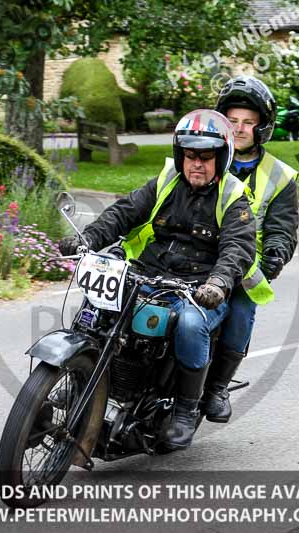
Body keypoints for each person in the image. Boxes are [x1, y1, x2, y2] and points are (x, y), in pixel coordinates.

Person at [59, 109, 256, 449]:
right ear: (181, 155)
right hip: (149, 272)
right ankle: (80, 374)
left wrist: (218, 284)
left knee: (190, 325)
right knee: (98, 299)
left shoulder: (233, 198)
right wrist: (88, 239)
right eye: (190, 155)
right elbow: (124, 212)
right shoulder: (166, 182)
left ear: (221, 158)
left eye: (206, 157)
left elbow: (237, 248)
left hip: (198, 287)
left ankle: (184, 408)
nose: (197, 163)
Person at [201, 76, 299, 423]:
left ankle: (216, 387)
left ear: (262, 129)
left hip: (243, 268)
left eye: (248, 122)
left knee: (240, 313)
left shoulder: (280, 176)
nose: (239, 129)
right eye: (232, 121)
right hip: (191, 253)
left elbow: (282, 230)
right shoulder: (201, 156)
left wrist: (272, 258)